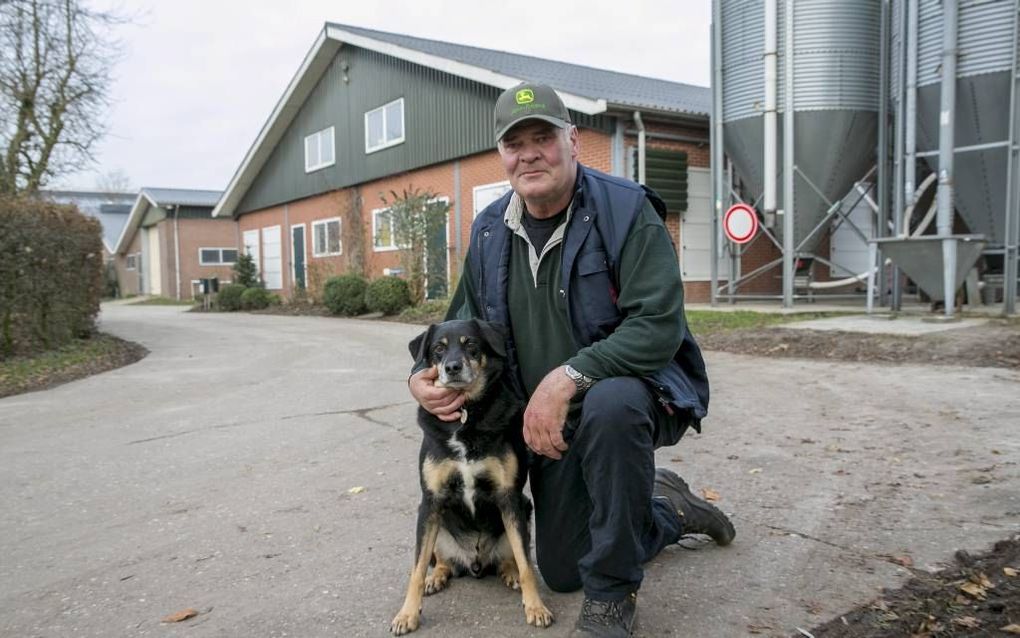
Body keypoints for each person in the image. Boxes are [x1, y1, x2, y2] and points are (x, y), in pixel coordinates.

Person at [409, 81, 735, 637]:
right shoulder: (489, 229)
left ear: (573, 141)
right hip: (540, 425)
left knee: (611, 403)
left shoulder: (626, 209)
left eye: (544, 137)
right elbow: (458, 323)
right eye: (515, 143)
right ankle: (667, 510)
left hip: (622, 398)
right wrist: (422, 380)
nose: (529, 153)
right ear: (502, 155)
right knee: (562, 569)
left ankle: (612, 598)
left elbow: (657, 326)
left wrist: (567, 378)